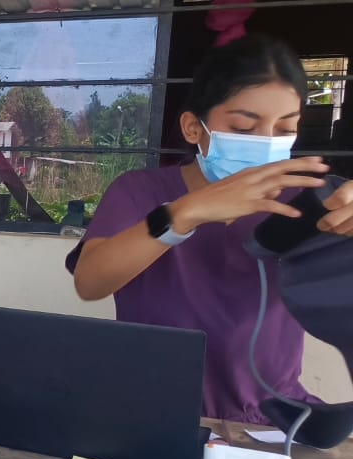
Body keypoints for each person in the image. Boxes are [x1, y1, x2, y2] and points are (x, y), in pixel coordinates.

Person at [67, 35, 353, 424]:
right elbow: (90, 282)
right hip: (150, 413)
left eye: (286, 128)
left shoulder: (308, 201)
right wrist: (187, 212)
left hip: (269, 419)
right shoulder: (138, 191)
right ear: (193, 128)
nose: (267, 143)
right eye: (244, 127)